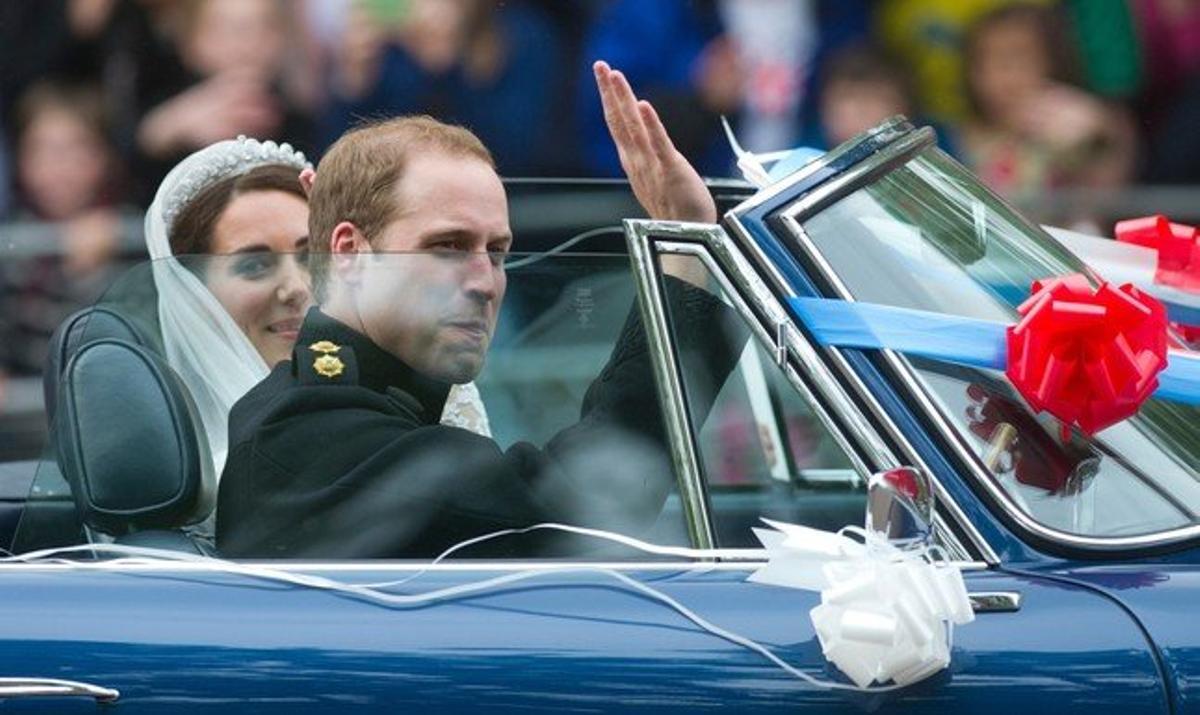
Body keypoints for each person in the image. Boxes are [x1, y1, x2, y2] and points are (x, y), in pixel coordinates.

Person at [215, 63, 738, 558]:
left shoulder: (340, 407)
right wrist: (680, 245)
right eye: (448, 246)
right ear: (350, 253)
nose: (485, 282)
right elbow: (580, 505)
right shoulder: (306, 431)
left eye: (497, 252)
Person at [145, 136, 493, 478]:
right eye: (254, 266)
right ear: (192, 291)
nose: (297, 288)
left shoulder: (428, 387)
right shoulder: (173, 463)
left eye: (311, 257)